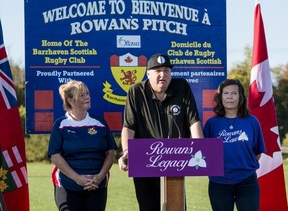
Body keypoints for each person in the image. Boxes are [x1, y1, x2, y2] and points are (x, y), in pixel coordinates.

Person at [118, 53, 204, 211]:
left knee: (175, 207)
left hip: (174, 160)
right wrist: (126, 152)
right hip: (144, 161)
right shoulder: (136, 91)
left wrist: (200, 149)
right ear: (148, 73)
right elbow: (129, 126)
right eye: (157, 71)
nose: (162, 74)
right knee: (148, 207)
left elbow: (193, 121)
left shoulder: (182, 86)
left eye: (166, 70)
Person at [48, 80, 117, 211]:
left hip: (97, 185)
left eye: (87, 93)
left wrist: (99, 177)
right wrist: (77, 178)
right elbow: (55, 156)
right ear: (70, 100)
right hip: (68, 185)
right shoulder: (60, 124)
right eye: (81, 95)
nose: (87, 97)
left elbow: (110, 153)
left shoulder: (100, 123)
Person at [203, 79, 266, 211]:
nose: (230, 97)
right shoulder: (211, 124)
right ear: (220, 97)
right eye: (226, 93)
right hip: (219, 183)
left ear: (240, 97)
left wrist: (244, 166)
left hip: (247, 182)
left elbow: (258, 151)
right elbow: (206, 154)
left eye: (234, 93)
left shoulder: (252, 121)